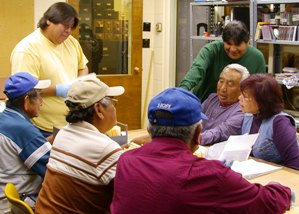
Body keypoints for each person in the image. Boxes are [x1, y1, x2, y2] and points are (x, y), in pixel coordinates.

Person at [111, 87, 293, 214]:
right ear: (198, 133)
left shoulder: (126, 161)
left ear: (150, 129)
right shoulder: (209, 175)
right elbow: (267, 203)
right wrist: (281, 189)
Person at [35, 75, 125, 213]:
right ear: (99, 109)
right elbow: (132, 192)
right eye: (113, 103)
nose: (114, 108)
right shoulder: (105, 148)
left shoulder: (63, 133)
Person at [10, 2, 89, 139]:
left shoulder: (71, 42)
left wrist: (79, 82)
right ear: (49, 20)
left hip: (71, 122)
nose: (68, 31)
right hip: (43, 127)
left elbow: (83, 66)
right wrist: (58, 90)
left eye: (71, 27)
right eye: (65, 25)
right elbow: (24, 93)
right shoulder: (27, 49)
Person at [0, 72, 51, 212]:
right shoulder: (22, 129)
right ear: (27, 100)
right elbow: (52, 169)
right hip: (17, 204)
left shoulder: (5, 118)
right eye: (39, 96)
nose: (41, 101)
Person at [179, 20, 266, 102]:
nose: (233, 49)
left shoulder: (257, 58)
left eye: (237, 44)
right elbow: (197, 69)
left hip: (238, 111)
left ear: (247, 42)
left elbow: (260, 90)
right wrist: (181, 91)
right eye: (228, 44)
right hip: (203, 105)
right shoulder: (211, 50)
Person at [239, 73, 299, 170]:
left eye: (245, 96)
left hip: (280, 178)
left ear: (262, 101)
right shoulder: (248, 116)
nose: (239, 98)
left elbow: (295, 164)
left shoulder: (280, 123)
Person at [201, 63, 249, 145]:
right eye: (221, 81)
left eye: (230, 84)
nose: (223, 88)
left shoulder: (242, 110)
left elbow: (220, 133)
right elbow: (192, 119)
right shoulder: (212, 99)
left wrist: (192, 139)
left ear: (242, 90)